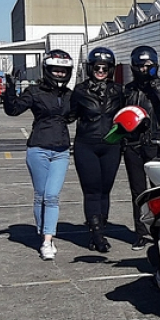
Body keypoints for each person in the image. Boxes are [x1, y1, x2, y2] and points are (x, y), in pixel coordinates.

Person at [3, 50, 75, 260]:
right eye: (56, 70)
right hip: (38, 149)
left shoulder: (71, 95)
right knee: (41, 195)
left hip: (62, 150)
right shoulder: (34, 92)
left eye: (63, 71)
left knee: (52, 196)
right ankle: (43, 233)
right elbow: (13, 110)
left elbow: (79, 114)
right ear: (48, 70)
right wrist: (10, 89)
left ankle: (47, 240)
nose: (60, 74)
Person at [69, 47, 126, 252]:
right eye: (97, 67)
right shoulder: (80, 91)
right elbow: (69, 115)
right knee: (92, 191)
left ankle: (101, 226)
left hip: (112, 145)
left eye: (104, 67)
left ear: (110, 69)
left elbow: (126, 115)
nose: (100, 70)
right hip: (87, 145)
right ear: (90, 68)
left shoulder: (119, 91)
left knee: (105, 190)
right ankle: (97, 235)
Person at [123, 45, 160, 250]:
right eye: (141, 66)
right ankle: (141, 232)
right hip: (133, 145)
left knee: (159, 190)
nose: (144, 69)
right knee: (138, 192)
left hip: (154, 143)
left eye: (149, 65)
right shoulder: (128, 90)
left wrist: (153, 83)